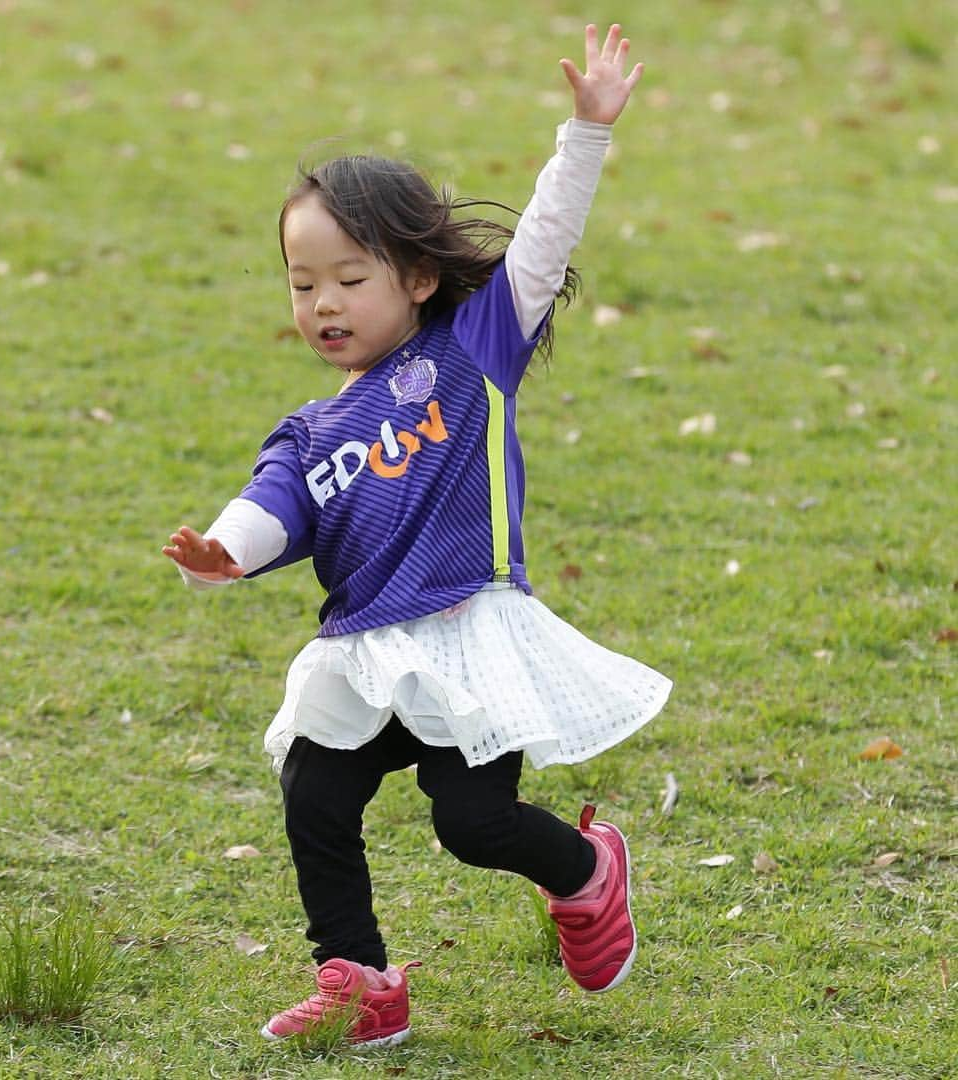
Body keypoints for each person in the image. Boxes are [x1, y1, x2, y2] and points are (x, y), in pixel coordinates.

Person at [163, 22, 671, 1047]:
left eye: (350, 278)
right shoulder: (311, 430)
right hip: (367, 651)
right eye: (304, 285)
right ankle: (360, 983)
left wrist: (586, 136)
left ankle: (587, 874)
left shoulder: (474, 352)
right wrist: (228, 551)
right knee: (315, 788)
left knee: (472, 824)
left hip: (466, 628)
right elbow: (274, 505)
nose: (324, 303)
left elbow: (542, 246)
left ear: (418, 277)